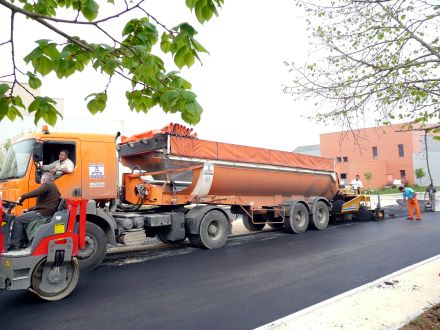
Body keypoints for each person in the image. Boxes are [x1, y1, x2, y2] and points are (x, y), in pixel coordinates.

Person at [8, 173, 61, 250]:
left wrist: (22, 197)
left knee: (18, 219)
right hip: (45, 212)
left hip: (43, 214)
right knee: (22, 218)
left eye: (41, 180)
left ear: (44, 180)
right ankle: (23, 243)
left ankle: (15, 244)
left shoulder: (47, 185)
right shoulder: (53, 187)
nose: (40, 182)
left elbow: (36, 192)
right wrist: (29, 210)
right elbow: (44, 204)